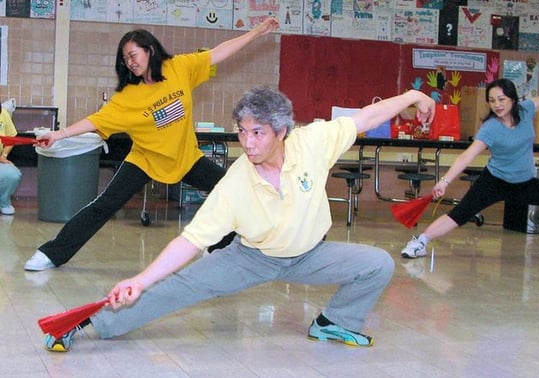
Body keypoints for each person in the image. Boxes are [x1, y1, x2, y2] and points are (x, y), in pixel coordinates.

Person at [43, 86, 436, 352]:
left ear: (282, 131)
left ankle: (333, 321)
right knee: (179, 287)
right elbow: (190, 241)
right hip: (251, 256)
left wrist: (413, 94)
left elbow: (367, 117)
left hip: (309, 252)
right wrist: (139, 280)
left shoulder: (313, 142)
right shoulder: (235, 183)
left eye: (258, 133)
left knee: (378, 264)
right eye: (243, 131)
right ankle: (93, 323)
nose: (248, 142)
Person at [24, 17, 280, 271]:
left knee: (231, 191)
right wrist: (59, 134)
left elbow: (217, 53)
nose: (130, 62)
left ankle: (218, 249)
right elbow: (96, 120)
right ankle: (51, 254)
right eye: (125, 59)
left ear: (150, 50)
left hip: (185, 157)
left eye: (133, 54)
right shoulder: (127, 97)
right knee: (104, 205)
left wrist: (256, 32)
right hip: (145, 160)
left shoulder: (178, 67)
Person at [401, 76, 539, 259]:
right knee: (459, 215)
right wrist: (445, 181)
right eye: (492, 100)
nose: (497, 105)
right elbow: (468, 155)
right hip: (494, 181)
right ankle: (420, 242)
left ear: (513, 99)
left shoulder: (526, 111)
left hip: (524, 183)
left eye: (501, 99)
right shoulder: (490, 128)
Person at [0, 103, 22, 215]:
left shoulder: (3, 113)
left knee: (12, 174)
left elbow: (11, 137)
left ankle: (3, 203)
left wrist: (3, 156)